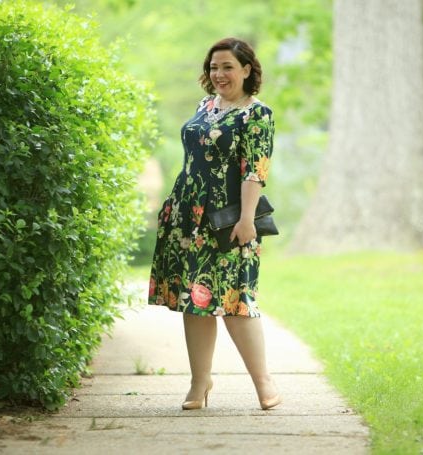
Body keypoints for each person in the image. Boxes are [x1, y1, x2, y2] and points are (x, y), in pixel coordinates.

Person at [148, 37, 281, 411]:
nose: (219, 74)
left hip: (229, 221)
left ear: (246, 70)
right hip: (187, 216)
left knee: (237, 301)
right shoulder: (204, 107)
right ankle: (199, 382)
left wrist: (247, 219)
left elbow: (255, 170)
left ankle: (264, 383)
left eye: (227, 67)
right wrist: (173, 206)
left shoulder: (257, 114)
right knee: (195, 300)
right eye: (213, 67)